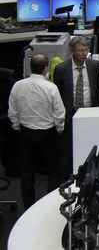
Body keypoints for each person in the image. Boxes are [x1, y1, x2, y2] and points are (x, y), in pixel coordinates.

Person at [8, 53, 65, 209]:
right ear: (46, 68)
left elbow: (12, 112)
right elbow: (60, 113)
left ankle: (28, 208)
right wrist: (59, 130)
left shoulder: (18, 85)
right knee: (54, 172)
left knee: (27, 173)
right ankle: (49, 207)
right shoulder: (51, 87)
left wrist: (17, 127)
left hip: (26, 134)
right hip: (48, 134)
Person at [53, 36, 99, 177]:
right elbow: (58, 94)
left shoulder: (95, 66)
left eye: (86, 50)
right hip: (70, 115)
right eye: (80, 50)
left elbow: (98, 89)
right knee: (68, 154)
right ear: (72, 52)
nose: (84, 53)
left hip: (91, 114)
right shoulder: (61, 69)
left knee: (90, 148)